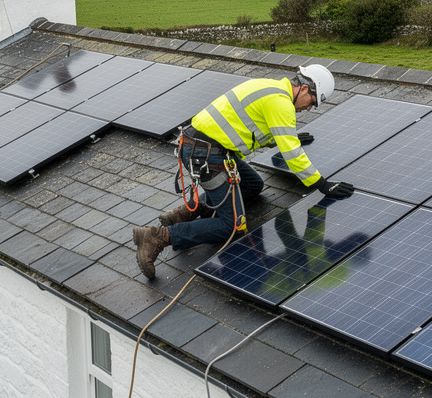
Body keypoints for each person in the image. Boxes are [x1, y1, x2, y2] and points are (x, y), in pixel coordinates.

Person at [131, 64, 355, 280]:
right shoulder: (281, 102)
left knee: (253, 185)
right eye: (311, 102)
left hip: (207, 146)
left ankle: (185, 212)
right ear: (305, 88)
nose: (308, 108)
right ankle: (157, 237)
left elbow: (256, 128)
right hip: (206, 154)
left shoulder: (272, 88)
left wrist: (289, 137)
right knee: (232, 226)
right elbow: (293, 154)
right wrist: (322, 184)